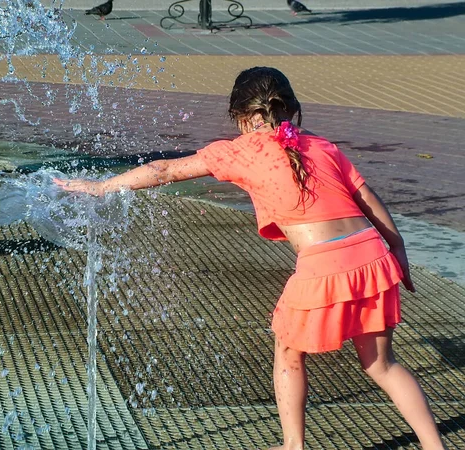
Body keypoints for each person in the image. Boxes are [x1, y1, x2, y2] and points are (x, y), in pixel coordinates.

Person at [54, 66, 447, 450]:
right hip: (372, 255)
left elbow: (164, 170)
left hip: (323, 265)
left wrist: (102, 187)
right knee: (382, 364)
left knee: (288, 349)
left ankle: (293, 445)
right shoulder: (320, 145)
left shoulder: (239, 151)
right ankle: (434, 445)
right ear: (290, 110)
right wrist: (398, 251)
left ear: (242, 118)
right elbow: (369, 200)